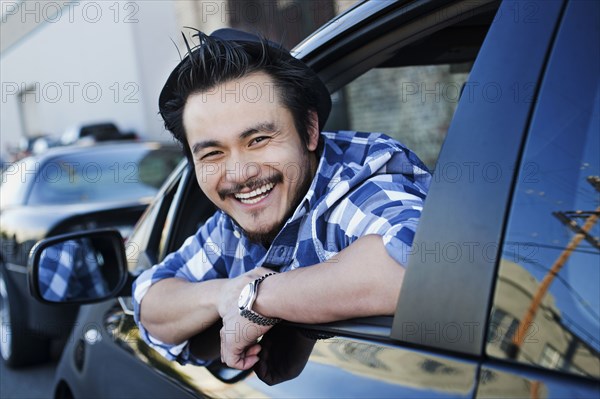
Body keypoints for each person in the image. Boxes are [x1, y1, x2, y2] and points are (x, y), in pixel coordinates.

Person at [132, 28, 431, 372]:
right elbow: (148, 300)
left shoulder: (358, 183)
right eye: (213, 153)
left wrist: (259, 298)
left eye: (258, 139)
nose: (239, 174)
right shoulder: (231, 224)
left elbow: (422, 264)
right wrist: (226, 295)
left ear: (309, 130)